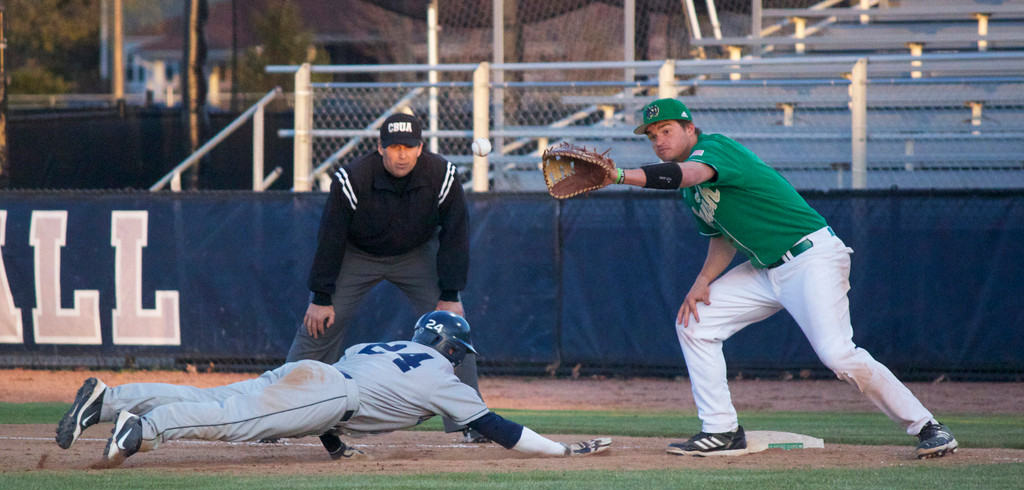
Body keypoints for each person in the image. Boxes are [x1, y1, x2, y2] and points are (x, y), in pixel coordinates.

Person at [602, 97, 957, 459]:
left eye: (666, 130)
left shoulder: (715, 148)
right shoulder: (692, 194)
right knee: (696, 323)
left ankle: (928, 426)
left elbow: (686, 174)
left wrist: (619, 175)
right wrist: (702, 281)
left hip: (809, 257)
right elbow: (722, 237)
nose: (659, 139)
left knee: (838, 355)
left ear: (690, 129)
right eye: (651, 135)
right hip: (766, 267)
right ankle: (721, 430)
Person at [54, 311, 612, 466]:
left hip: (315, 375)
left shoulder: (382, 346)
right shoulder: (441, 376)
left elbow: (331, 411)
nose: (457, 360)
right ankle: (143, 430)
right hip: (329, 392)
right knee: (232, 420)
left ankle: (111, 399)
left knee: (216, 397)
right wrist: (560, 448)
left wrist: (338, 446)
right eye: (456, 351)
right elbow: (497, 429)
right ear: (447, 345)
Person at [287, 112, 487, 443]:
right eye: (393, 147)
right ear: (380, 148)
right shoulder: (353, 178)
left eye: (409, 147)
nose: (401, 154)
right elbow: (331, 237)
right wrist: (321, 297)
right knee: (318, 327)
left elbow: (455, 235)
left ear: (421, 148)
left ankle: (471, 421)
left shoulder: (442, 175)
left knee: (452, 330)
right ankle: (278, 409)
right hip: (358, 255)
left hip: (416, 255)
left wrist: (450, 294)